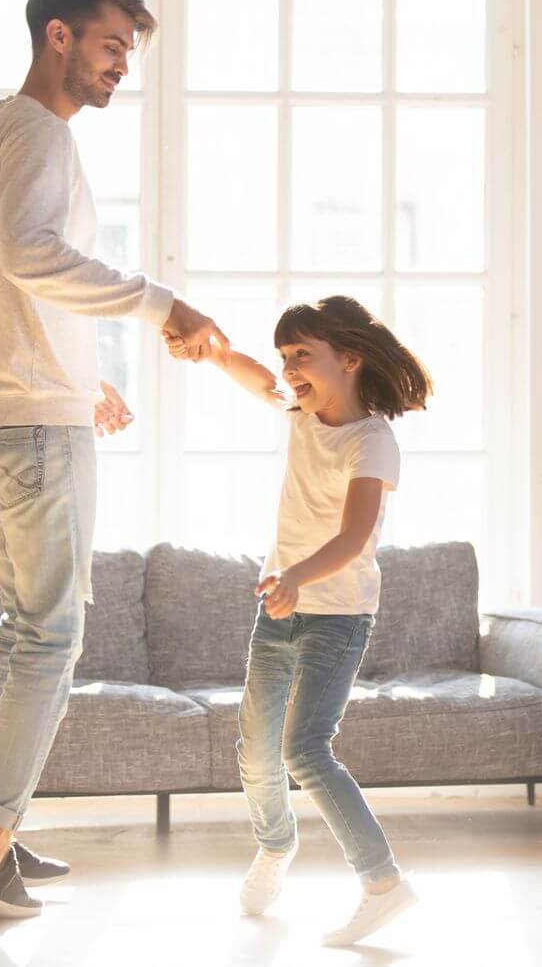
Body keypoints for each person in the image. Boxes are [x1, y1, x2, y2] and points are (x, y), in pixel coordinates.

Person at [0, 0, 227, 919]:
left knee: (23, 633)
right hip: (29, 421)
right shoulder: (40, 133)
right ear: (57, 35)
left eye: (128, 53)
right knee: (50, 637)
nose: (119, 67)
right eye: (109, 45)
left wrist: (76, 374)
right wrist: (160, 303)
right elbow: (30, 256)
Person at [166, 295, 429, 946]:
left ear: (349, 358)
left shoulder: (373, 440)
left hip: (336, 616)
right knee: (255, 752)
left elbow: (354, 539)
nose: (288, 369)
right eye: (286, 356)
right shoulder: (301, 411)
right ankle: (275, 845)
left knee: (304, 748)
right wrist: (216, 351)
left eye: (301, 356)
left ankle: (383, 883)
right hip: (280, 608)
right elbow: (254, 377)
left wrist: (293, 577)